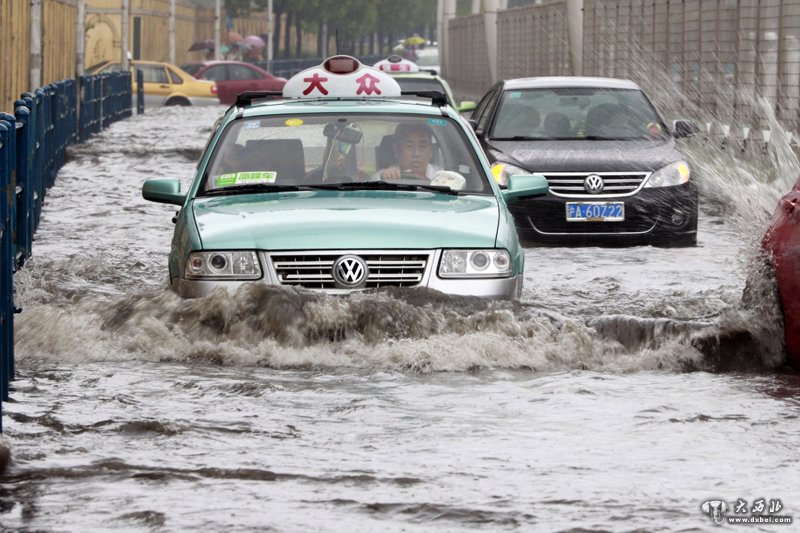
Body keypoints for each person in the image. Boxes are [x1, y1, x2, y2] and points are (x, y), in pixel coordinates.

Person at [377, 123, 442, 181]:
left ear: (431, 150)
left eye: (422, 146)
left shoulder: (442, 178)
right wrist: (387, 183)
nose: (416, 153)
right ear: (396, 150)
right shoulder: (381, 178)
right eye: (409, 146)